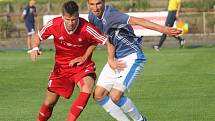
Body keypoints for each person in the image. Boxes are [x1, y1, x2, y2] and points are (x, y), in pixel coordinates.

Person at [87, 0, 182, 121]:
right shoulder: (92, 16)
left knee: (115, 96)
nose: (95, 8)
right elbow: (104, 38)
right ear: (88, 4)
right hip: (116, 57)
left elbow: (139, 21)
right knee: (99, 95)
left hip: (131, 56)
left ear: (104, 2)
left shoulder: (111, 15)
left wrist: (164, 30)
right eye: (92, 4)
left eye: (98, 3)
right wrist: (108, 59)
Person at [29, 1, 111, 121]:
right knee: (49, 103)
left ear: (78, 16)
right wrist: (35, 48)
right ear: (63, 17)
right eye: (68, 19)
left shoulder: (87, 27)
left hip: (82, 67)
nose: (71, 23)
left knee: (87, 88)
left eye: (74, 19)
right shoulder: (54, 24)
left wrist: (84, 57)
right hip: (61, 68)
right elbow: (37, 36)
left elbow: (103, 41)